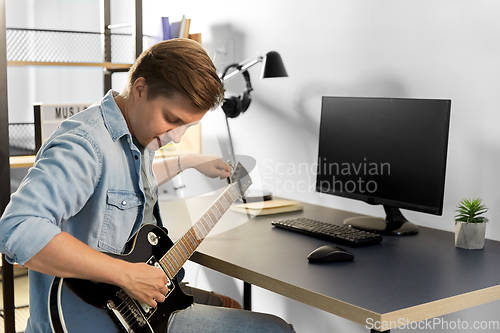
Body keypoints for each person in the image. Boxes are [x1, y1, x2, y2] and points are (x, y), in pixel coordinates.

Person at [0, 38, 294, 332]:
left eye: (188, 127)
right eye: (172, 119)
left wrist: (188, 161)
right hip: (99, 317)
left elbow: (122, 185)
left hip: (146, 305)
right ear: (140, 89)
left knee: (230, 305)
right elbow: (18, 227)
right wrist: (125, 274)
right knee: (277, 329)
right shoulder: (84, 144)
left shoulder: (136, 132)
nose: (176, 137)